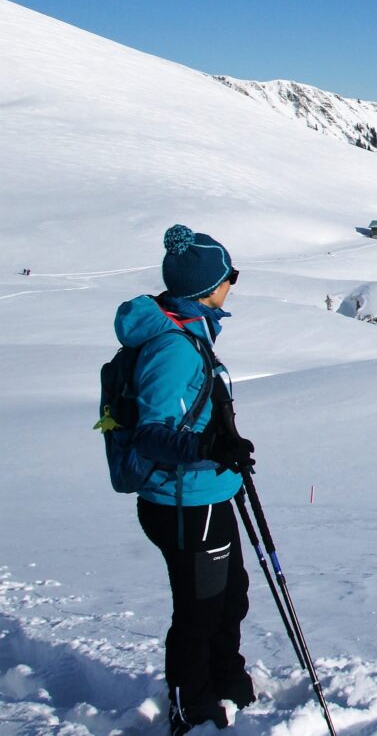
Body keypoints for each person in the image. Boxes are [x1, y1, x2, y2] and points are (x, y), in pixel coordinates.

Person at [113, 224, 258, 734]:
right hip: (183, 502)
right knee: (199, 610)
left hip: (210, 492)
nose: (232, 284)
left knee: (230, 595)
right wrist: (209, 447)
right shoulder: (172, 347)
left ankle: (225, 679)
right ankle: (190, 704)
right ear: (204, 288)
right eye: (229, 275)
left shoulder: (192, 329)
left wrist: (221, 446)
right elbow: (153, 433)